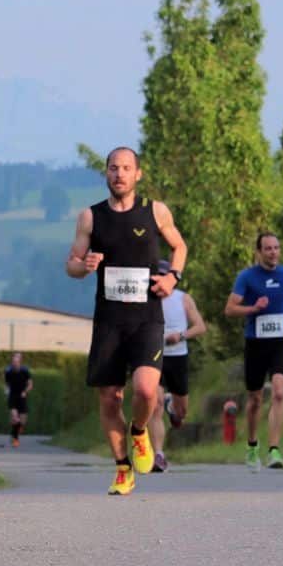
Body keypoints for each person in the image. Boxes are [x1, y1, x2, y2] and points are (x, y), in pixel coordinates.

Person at [66, 147, 187, 495]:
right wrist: (84, 265)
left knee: (147, 389)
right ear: (106, 173)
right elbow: (71, 265)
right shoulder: (91, 217)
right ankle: (123, 469)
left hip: (147, 318)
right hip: (109, 321)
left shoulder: (155, 211)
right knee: (109, 399)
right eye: (114, 168)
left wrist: (172, 278)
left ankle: (139, 431)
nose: (120, 174)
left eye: (126, 168)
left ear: (138, 174)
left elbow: (179, 247)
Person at [223, 233, 283, 471]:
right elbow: (230, 309)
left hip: (278, 343)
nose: (273, 252)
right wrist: (253, 308)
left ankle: (274, 450)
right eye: (268, 248)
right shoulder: (247, 277)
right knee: (255, 399)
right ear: (259, 252)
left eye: (276, 248)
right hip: (255, 344)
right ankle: (252, 445)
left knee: (278, 393)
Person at [149, 282, 207, 472]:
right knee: (154, 406)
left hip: (177, 357)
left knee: (182, 412)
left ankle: (172, 406)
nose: (159, 285)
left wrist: (180, 336)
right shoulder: (147, 299)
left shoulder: (182, 298)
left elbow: (200, 327)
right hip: (153, 357)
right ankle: (158, 455)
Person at [4, 353, 33, 447]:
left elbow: (30, 384)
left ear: (20, 362)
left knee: (23, 420)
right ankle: (15, 439)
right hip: (12, 396)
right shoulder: (8, 371)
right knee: (15, 418)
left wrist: (25, 392)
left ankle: (16, 431)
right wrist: (6, 392)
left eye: (16, 362)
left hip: (22, 396)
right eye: (13, 362)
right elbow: (7, 384)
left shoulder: (25, 371)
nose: (14, 363)